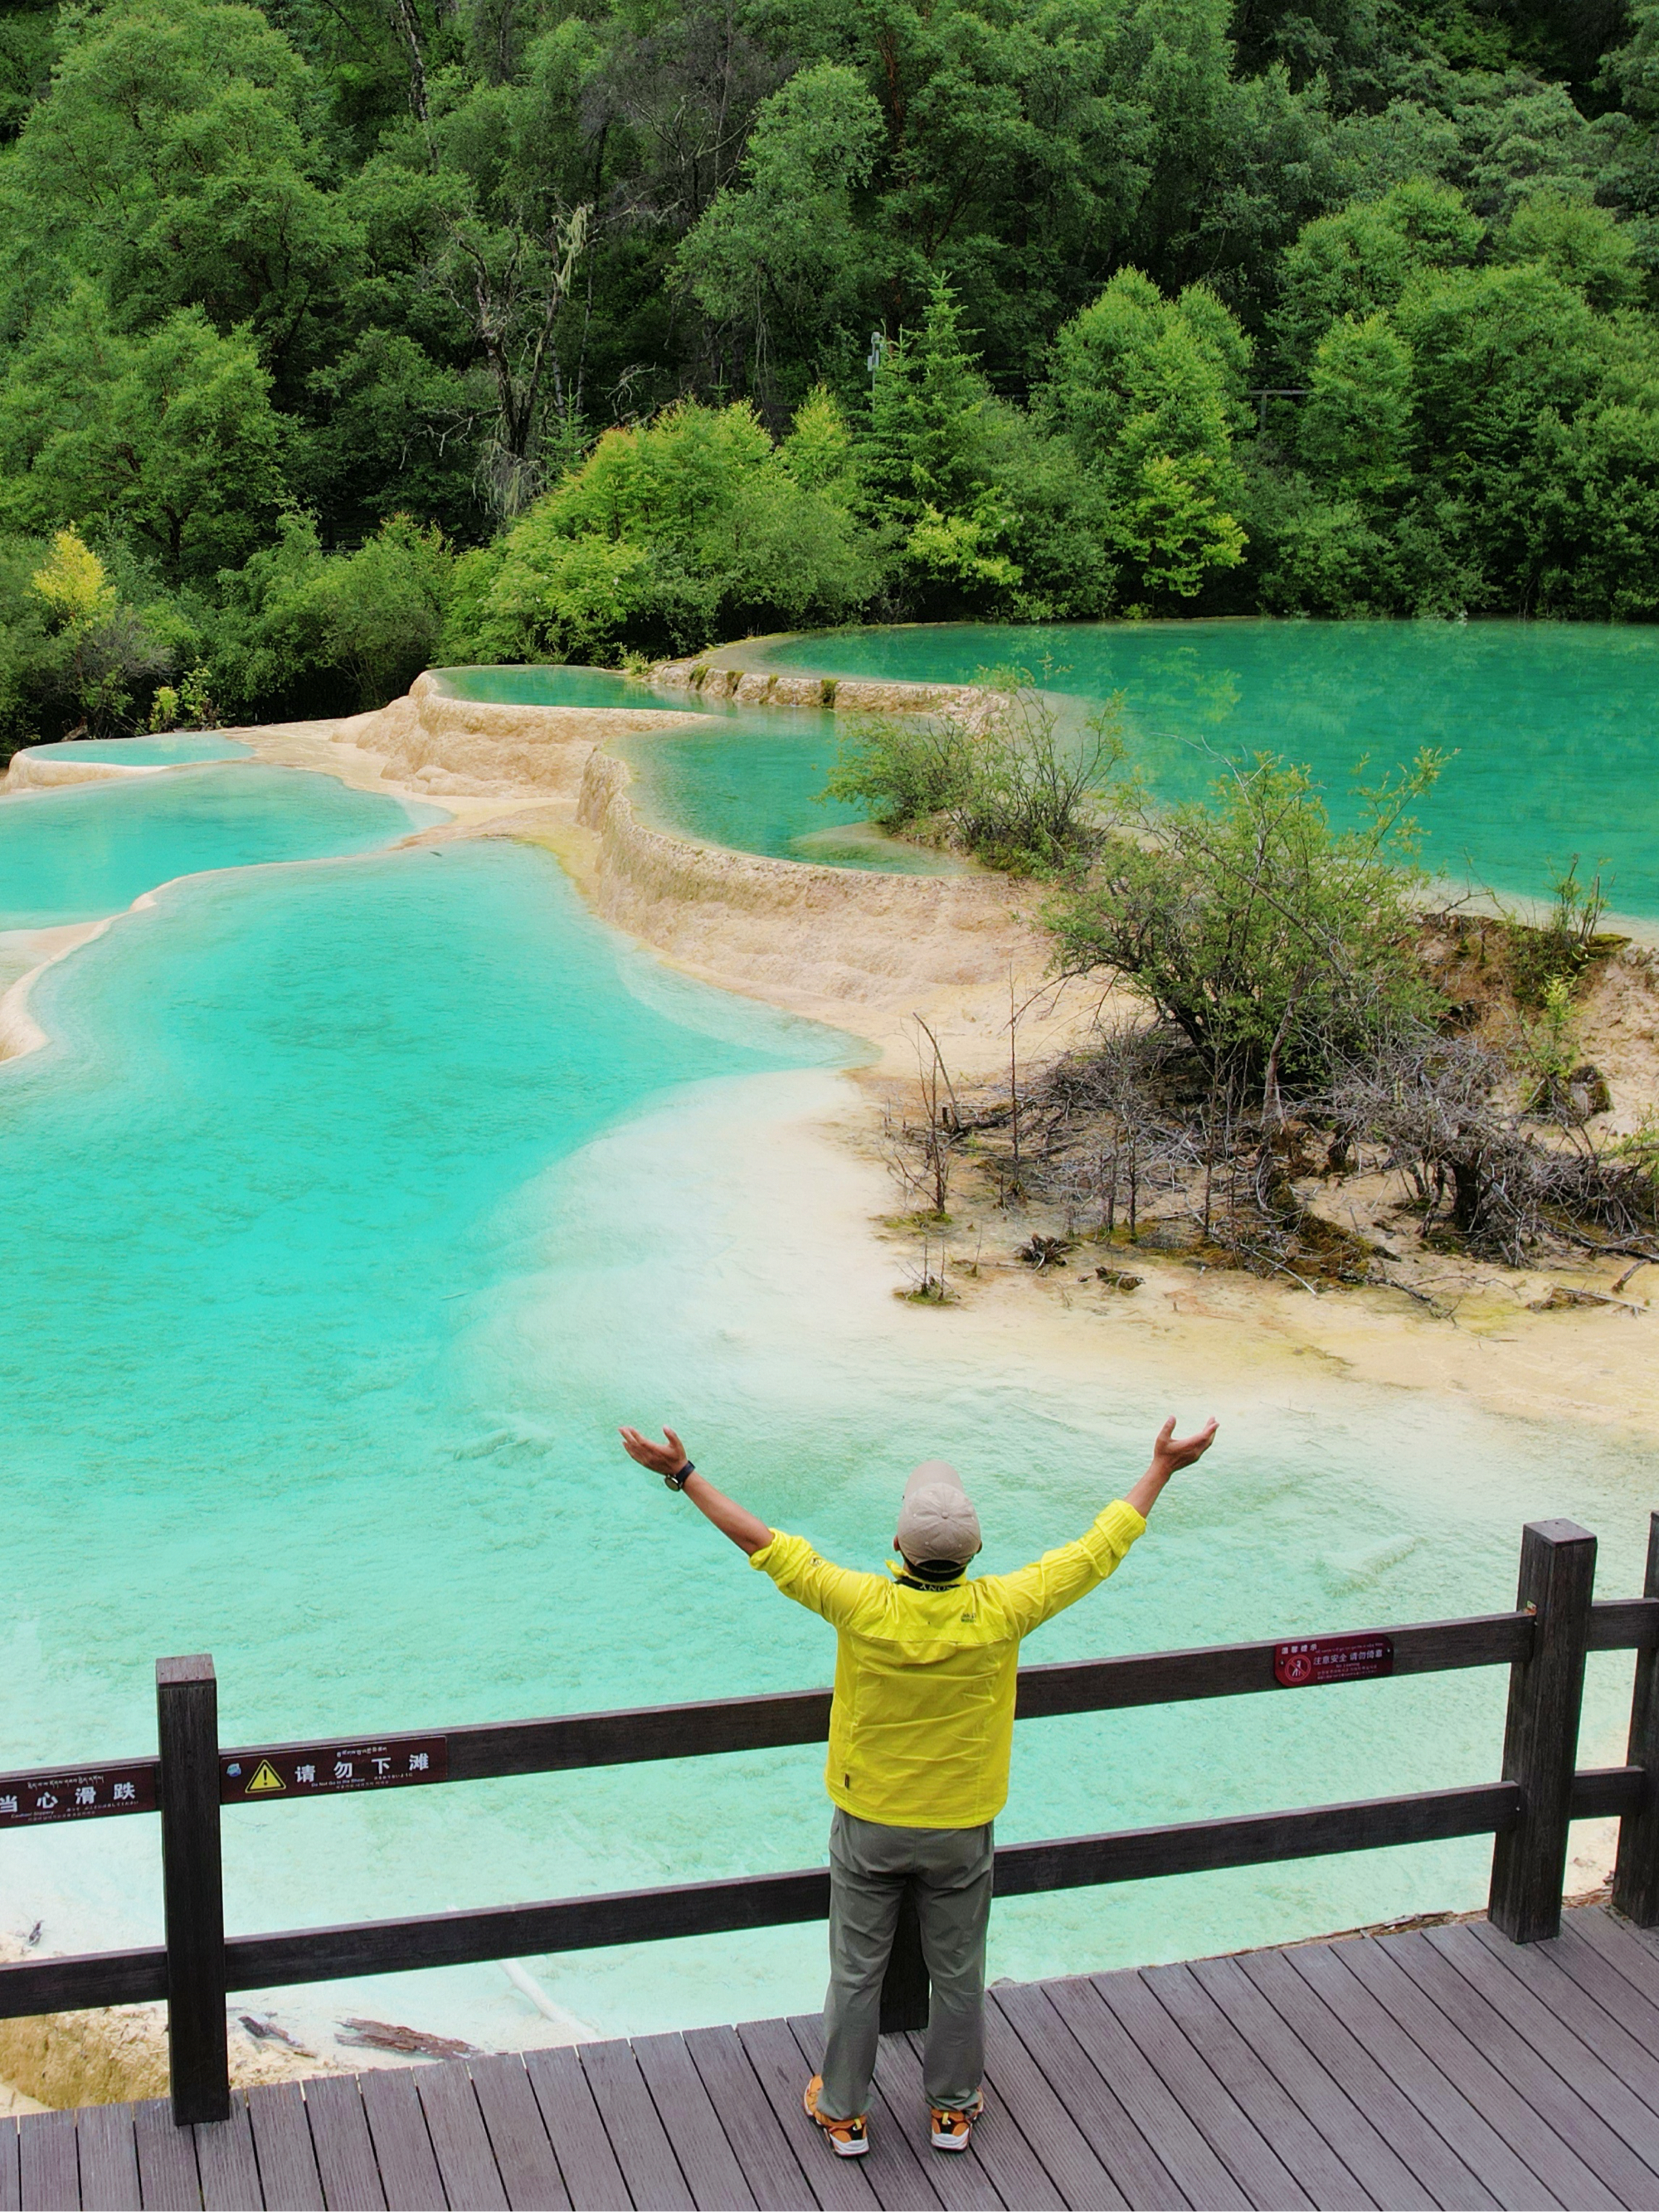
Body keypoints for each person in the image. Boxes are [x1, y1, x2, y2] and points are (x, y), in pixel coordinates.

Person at [617, 1413, 1218, 2160]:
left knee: (856, 1971)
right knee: (958, 1974)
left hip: (869, 1821)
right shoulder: (1004, 1609)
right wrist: (1160, 1467)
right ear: (975, 1553)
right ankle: (951, 2111)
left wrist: (681, 1472)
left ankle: (843, 2111)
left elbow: (762, 1543)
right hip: (961, 1828)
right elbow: (1097, 1551)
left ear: (897, 1546)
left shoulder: (862, 1605)